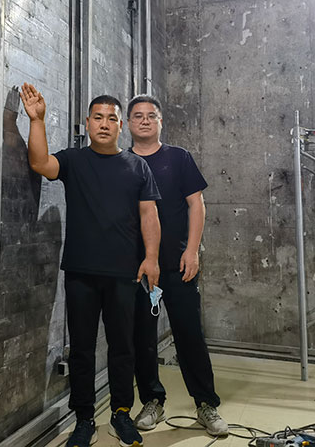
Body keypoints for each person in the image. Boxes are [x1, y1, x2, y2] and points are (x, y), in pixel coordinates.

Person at [20, 82, 161, 447]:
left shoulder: (138, 166)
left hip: (124, 273)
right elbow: (40, 163)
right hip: (81, 272)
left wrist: (151, 258)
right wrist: (37, 120)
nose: (104, 124)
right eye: (98, 117)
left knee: (122, 347)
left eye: (111, 119)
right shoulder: (74, 161)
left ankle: (121, 414)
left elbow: (149, 214)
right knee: (81, 349)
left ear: (120, 126)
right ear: (87, 123)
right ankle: (84, 419)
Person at [127, 94, 229, 437]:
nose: (144, 120)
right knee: (142, 339)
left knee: (189, 335)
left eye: (151, 115)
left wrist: (193, 250)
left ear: (160, 122)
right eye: (138, 115)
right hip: (139, 269)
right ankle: (152, 401)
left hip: (179, 264)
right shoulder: (122, 162)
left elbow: (196, 205)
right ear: (129, 123)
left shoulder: (178, 158)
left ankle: (206, 404)